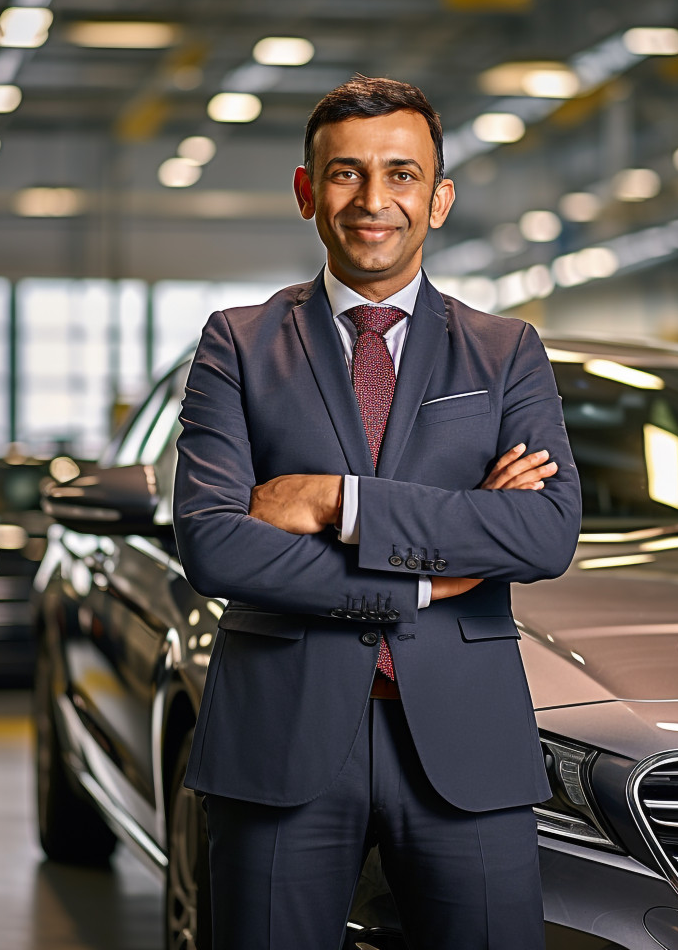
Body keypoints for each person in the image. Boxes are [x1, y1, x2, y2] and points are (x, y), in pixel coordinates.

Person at [173, 76, 581, 950]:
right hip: (278, 739)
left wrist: (338, 500)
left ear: (438, 199)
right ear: (306, 192)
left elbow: (544, 532)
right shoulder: (236, 344)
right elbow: (214, 546)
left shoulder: (506, 351)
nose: (373, 200)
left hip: (465, 744)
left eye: (401, 174)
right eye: (346, 174)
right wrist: (436, 573)